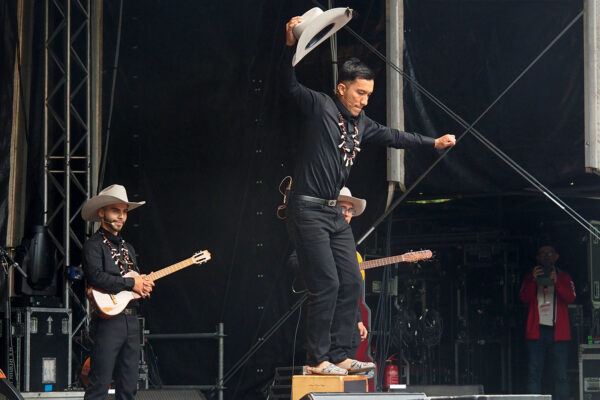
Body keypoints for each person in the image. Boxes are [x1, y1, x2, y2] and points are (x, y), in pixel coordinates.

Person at [282, 16, 456, 376]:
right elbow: (287, 84)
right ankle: (317, 360)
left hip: (333, 211)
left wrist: (433, 143)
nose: (364, 100)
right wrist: (286, 46)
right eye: (360, 93)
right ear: (342, 88)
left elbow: (396, 137)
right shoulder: (319, 106)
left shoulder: (362, 124)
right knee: (326, 283)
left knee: (352, 278)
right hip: (307, 207)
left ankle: (342, 353)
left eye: (369, 95)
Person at [81, 184, 155, 400]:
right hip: (107, 323)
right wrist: (130, 283)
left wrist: (143, 286)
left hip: (132, 322)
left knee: (129, 387)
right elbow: (96, 277)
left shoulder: (128, 248)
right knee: (99, 386)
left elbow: (134, 281)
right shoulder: (93, 246)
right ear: (102, 212)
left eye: (124, 212)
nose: (121, 217)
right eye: (116, 210)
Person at [519, 245, 576, 400]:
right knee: (534, 372)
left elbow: (570, 298)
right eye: (542, 254)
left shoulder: (564, 277)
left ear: (556, 257)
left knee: (561, 374)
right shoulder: (530, 277)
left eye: (549, 253)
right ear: (537, 258)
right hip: (537, 331)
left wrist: (557, 282)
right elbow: (524, 298)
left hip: (558, 332)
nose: (546, 257)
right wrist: (533, 279)